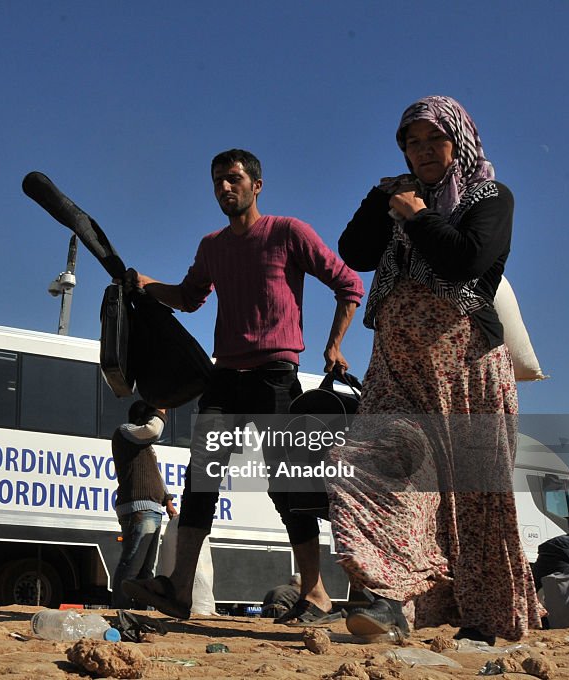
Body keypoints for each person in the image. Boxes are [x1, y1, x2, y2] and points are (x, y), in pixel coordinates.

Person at [328, 95, 540, 645]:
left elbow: (465, 260)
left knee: (475, 497)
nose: (422, 151)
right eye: (411, 142)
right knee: (370, 464)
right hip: (396, 367)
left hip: (464, 370)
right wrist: (384, 201)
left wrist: (418, 216)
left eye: (433, 140)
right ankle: (387, 599)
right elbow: (354, 252)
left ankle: (485, 617)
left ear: (459, 141)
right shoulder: (397, 195)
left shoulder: (490, 197)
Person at [121, 149, 363, 622]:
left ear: (257, 185)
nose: (224, 189)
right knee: (199, 483)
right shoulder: (212, 246)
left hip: (275, 377)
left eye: (233, 179)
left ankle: (314, 592)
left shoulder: (288, 232)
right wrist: (147, 283)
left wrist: (333, 345)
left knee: (288, 487)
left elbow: (349, 284)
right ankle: (178, 589)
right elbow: (189, 298)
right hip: (224, 378)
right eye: (217, 182)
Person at [110, 400, 177, 608]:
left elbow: (155, 475)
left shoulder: (145, 447)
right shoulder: (124, 432)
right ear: (141, 419)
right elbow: (153, 430)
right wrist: (161, 410)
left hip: (153, 509)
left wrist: (168, 501)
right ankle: (119, 608)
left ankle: (140, 611)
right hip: (138, 508)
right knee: (132, 562)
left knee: (147, 569)